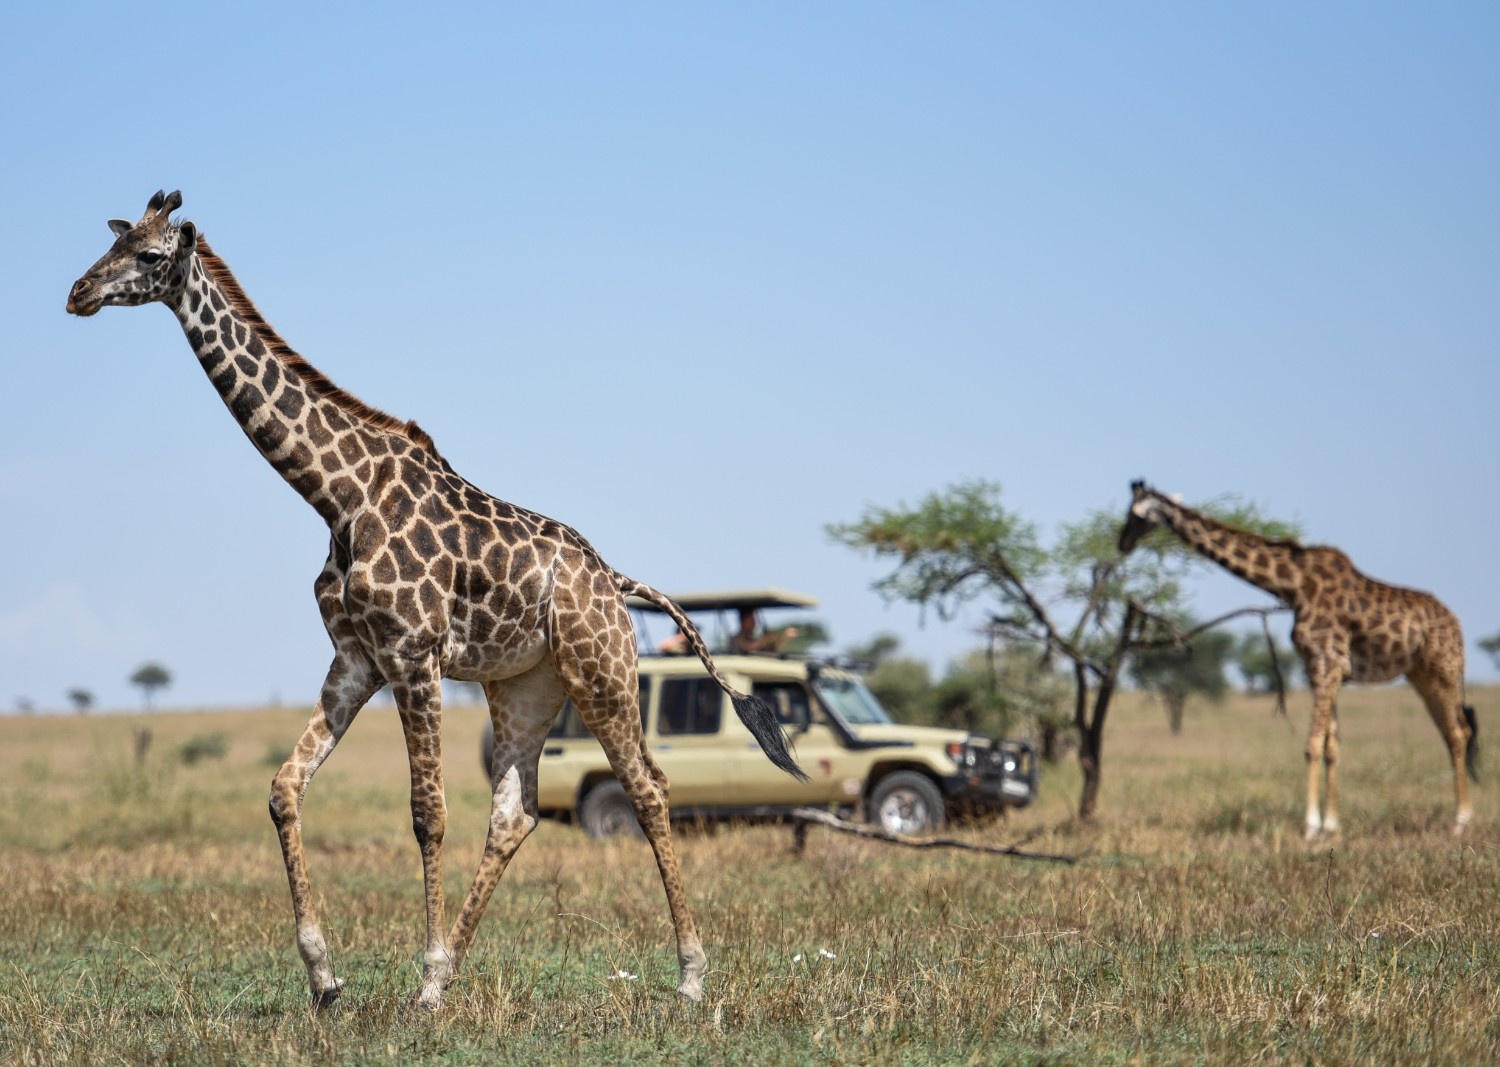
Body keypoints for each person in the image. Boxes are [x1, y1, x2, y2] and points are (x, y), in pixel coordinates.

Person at [730, 607, 799, 654]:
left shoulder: (753, 638)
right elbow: (748, 648)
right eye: (751, 620)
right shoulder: (735, 639)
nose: (754, 623)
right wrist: (765, 640)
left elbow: (772, 653)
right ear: (743, 621)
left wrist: (783, 638)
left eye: (755, 619)